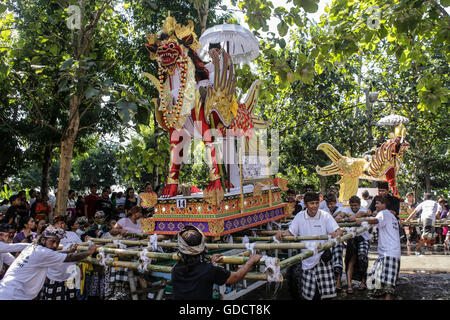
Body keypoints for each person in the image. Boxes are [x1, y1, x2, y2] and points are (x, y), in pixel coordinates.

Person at [276, 191, 343, 300]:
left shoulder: (325, 216)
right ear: (306, 204)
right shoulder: (299, 216)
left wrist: (337, 234)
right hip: (307, 258)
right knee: (312, 295)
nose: (315, 206)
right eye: (312, 203)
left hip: (322, 258)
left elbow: (338, 230)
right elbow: (291, 232)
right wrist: (282, 234)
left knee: (326, 296)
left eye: (317, 203)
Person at [0, 225, 97, 300]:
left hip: (9, 291)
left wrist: (68, 251)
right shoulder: (42, 252)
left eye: (57, 242)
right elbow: (69, 258)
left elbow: (51, 255)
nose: (55, 245)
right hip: (14, 294)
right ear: (43, 240)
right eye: (52, 241)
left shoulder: (33, 248)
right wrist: (89, 252)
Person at [171, 225, 262, 300]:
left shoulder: (175, 269)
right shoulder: (209, 270)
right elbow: (236, 277)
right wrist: (251, 261)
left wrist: (210, 262)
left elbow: (195, 272)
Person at [349, 195, 400, 300]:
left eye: (377, 203)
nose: (375, 206)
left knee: (386, 289)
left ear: (384, 205)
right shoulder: (391, 216)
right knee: (380, 285)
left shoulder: (383, 213)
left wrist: (362, 220)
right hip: (390, 253)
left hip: (388, 253)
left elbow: (375, 221)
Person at [40, 217, 81, 300]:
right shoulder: (49, 237)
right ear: (53, 225)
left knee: (70, 297)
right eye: (57, 223)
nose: (60, 225)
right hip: (53, 275)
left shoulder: (73, 235)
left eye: (62, 223)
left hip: (70, 274)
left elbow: (80, 249)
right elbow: (46, 256)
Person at [339, 195, 371, 293]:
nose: (353, 207)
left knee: (362, 258)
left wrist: (357, 217)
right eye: (352, 205)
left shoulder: (363, 209)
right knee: (350, 261)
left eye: (355, 205)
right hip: (351, 239)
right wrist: (341, 217)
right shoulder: (346, 209)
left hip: (363, 238)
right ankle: (349, 285)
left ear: (359, 205)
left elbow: (366, 213)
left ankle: (363, 281)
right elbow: (341, 214)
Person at [324, 193, 344, 291]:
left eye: (332, 203)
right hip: (327, 239)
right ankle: (330, 283)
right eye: (329, 204)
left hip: (338, 238)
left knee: (338, 259)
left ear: (335, 203)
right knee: (328, 260)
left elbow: (341, 215)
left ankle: (338, 282)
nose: (330, 206)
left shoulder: (340, 209)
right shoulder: (324, 211)